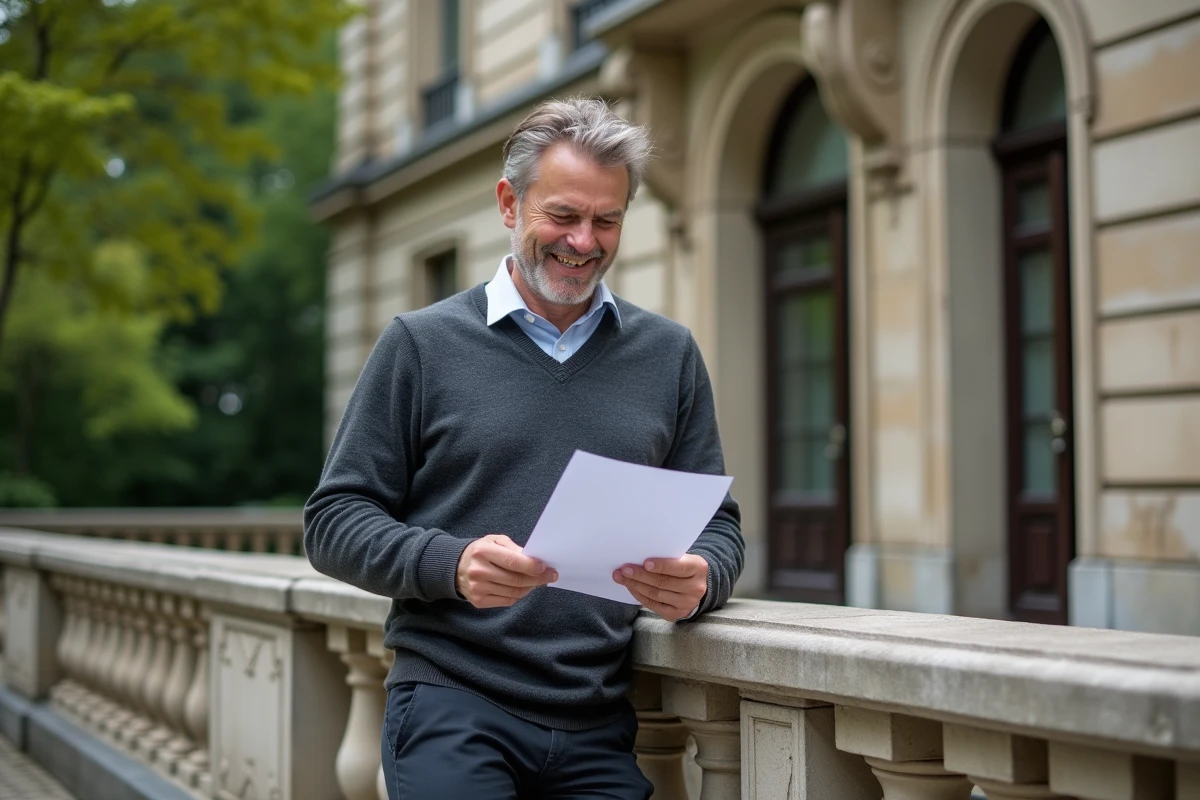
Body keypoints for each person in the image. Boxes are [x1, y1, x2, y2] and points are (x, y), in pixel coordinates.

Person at [304, 96, 744, 800]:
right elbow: (332, 520)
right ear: (509, 204)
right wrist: (450, 563)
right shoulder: (421, 344)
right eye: (563, 216)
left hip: (599, 718)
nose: (584, 241)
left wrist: (703, 578)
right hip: (452, 701)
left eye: (607, 220)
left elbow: (718, 523)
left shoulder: (669, 354)